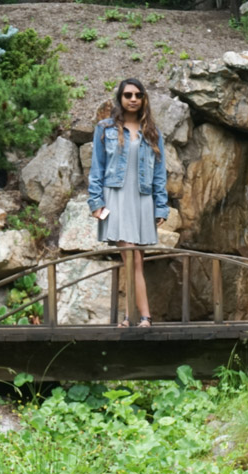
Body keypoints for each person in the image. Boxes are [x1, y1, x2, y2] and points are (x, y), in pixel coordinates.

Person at [87, 78, 169, 328]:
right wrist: (96, 202)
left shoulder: (153, 132)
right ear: (120, 98)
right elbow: (96, 167)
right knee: (132, 257)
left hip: (142, 199)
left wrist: (161, 205)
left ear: (144, 99)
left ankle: (132, 316)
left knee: (136, 261)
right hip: (116, 199)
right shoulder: (105, 128)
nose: (133, 99)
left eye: (138, 95)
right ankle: (141, 317)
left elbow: (159, 172)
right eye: (127, 95)